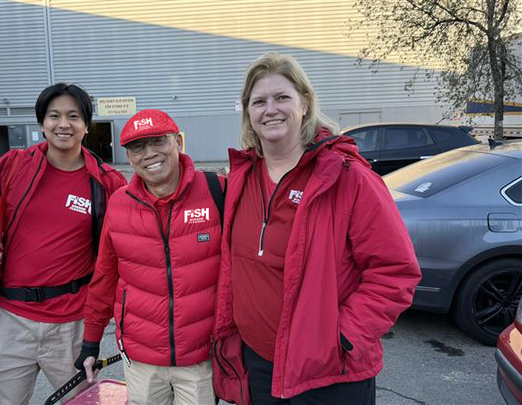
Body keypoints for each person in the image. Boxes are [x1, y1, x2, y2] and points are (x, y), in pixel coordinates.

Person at [212, 52, 421, 405]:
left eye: (282, 97)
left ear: (305, 103)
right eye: (259, 101)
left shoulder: (347, 177)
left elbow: (396, 272)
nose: (270, 109)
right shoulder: (240, 179)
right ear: (247, 111)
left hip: (328, 372)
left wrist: (343, 338)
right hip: (259, 366)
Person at [0, 83, 127, 404]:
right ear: (42, 123)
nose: (63, 124)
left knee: (81, 401)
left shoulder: (106, 182)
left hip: (71, 324)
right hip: (9, 320)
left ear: (86, 125)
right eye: (54, 116)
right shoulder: (14, 165)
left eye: (73, 116)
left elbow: (123, 247)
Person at [75, 109, 224, 405]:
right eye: (138, 147)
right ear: (129, 157)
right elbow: (105, 277)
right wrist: (91, 342)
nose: (149, 154)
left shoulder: (217, 190)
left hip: (201, 358)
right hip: (141, 360)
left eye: (158, 141)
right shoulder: (119, 204)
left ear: (178, 142)